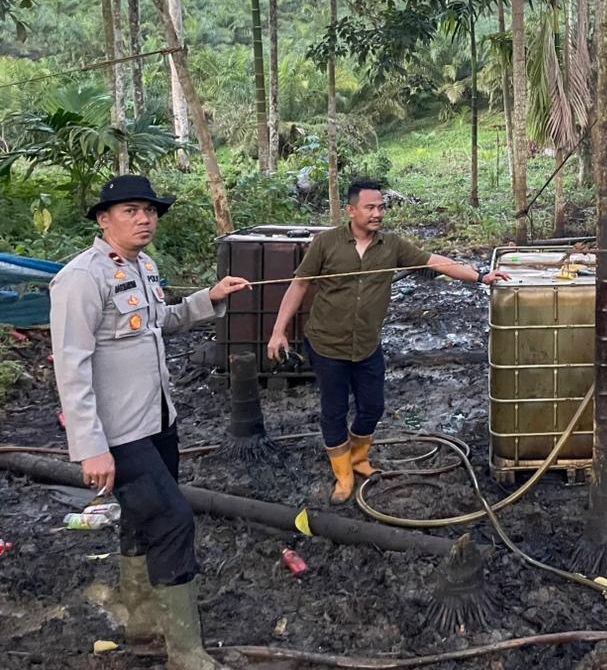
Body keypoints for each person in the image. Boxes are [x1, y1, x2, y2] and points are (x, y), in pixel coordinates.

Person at [50, 175, 252, 670]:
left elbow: (160, 322)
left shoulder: (143, 267)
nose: (145, 219)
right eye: (131, 211)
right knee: (172, 520)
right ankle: (185, 651)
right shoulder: (82, 279)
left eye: (150, 211)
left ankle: (142, 628)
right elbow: (70, 367)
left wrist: (210, 297)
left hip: (157, 419)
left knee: (142, 518)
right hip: (117, 432)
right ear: (104, 219)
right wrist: (90, 446)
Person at [267, 178, 508, 503]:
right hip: (327, 345)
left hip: (367, 345)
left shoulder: (391, 245)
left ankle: (359, 459)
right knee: (334, 411)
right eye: (370, 207)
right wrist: (278, 331)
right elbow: (299, 285)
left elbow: (435, 262)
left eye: (381, 207)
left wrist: (480, 276)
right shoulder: (326, 243)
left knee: (373, 407)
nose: (377, 213)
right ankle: (343, 475)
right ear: (351, 210)